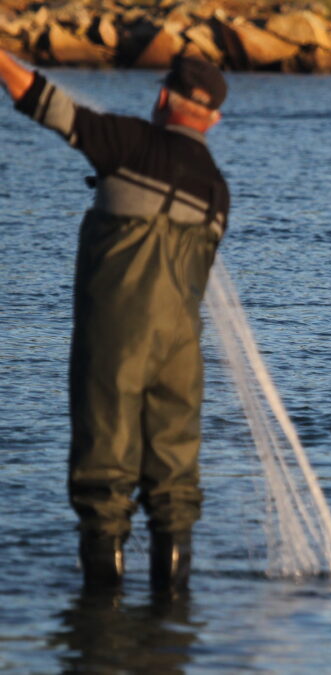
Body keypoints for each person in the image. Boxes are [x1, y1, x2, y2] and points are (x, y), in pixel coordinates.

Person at [0, 51, 230, 594]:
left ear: (161, 98)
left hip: (115, 342)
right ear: (214, 118)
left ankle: (101, 620)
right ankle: (170, 624)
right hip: (181, 357)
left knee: (103, 482)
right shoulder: (218, 190)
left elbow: (42, 101)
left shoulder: (128, 144)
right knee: (174, 490)